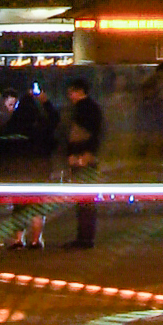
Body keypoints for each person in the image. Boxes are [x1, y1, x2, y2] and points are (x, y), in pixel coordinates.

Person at [62, 72, 103, 251]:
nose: (69, 96)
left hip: (83, 159)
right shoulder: (92, 108)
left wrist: (80, 154)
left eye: (71, 92)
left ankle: (84, 238)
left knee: (84, 201)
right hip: (87, 157)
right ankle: (85, 237)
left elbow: (80, 135)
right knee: (85, 200)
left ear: (79, 91)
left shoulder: (83, 109)